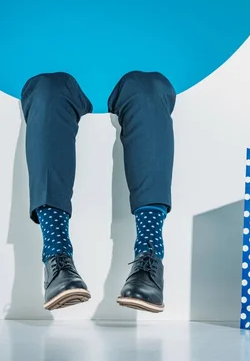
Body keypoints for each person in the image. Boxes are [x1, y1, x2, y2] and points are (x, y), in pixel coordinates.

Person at [21, 70, 176, 312]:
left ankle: (149, 258)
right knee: (47, 89)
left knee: (146, 88)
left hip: (139, 90)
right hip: (55, 90)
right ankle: (57, 259)